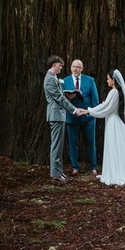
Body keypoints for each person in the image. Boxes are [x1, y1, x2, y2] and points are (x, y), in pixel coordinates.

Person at [43, 55, 84, 183]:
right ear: (55, 65)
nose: (61, 68)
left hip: (59, 115)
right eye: (60, 65)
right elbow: (59, 98)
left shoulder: (54, 78)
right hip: (55, 115)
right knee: (56, 145)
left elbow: (60, 96)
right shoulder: (50, 79)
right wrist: (73, 109)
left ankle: (59, 171)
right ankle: (55, 174)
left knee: (59, 145)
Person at [62, 59, 100, 176]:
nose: (75, 69)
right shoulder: (65, 81)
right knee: (73, 143)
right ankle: (75, 167)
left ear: (82, 69)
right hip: (72, 117)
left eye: (78, 67)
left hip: (88, 118)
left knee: (90, 142)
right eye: (73, 66)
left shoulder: (90, 80)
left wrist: (92, 113)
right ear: (70, 68)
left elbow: (95, 99)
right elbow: (61, 99)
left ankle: (93, 167)